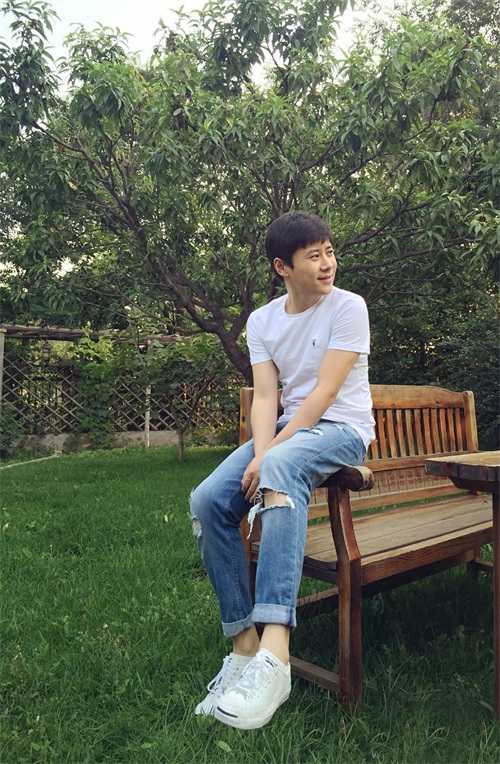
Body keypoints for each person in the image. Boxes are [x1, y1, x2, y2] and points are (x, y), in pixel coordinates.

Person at [190, 210, 374, 730]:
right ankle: (244, 647)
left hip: (342, 429)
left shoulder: (348, 307)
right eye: (314, 255)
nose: (327, 263)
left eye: (330, 251)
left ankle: (276, 655)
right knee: (207, 501)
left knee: (279, 466)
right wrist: (260, 451)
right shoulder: (263, 322)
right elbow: (267, 397)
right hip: (289, 429)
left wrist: (270, 455)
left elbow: (325, 393)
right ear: (282, 267)